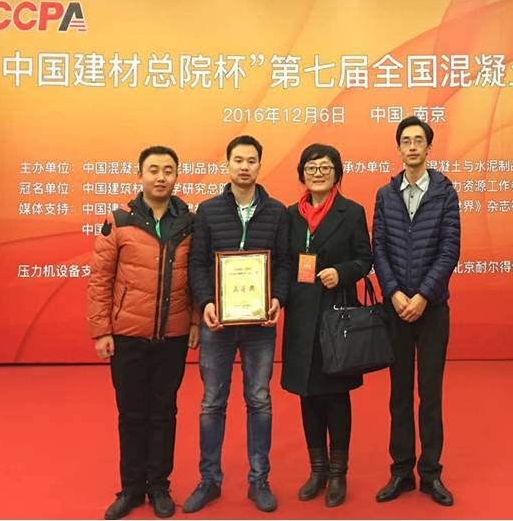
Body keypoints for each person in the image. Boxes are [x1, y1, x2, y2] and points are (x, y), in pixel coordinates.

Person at [87, 145, 200, 519]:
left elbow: (198, 276)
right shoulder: (120, 220)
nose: (161, 177)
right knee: (132, 413)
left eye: (168, 170)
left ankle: (159, 486)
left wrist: (195, 321)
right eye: (153, 170)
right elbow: (101, 279)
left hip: (173, 336)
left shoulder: (190, 223)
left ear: (177, 176)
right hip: (127, 336)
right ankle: (132, 488)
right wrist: (101, 330)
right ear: (140, 175)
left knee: (164, 411)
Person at [185, 135, 289, 514]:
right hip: (218, 323)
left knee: (259, 399)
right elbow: (198, 263)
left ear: (260, 165)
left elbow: (284, 264)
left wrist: (278, 298)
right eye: (238, 160)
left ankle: (259, 479)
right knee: (212, 402)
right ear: (227, 164)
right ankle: (209, 480)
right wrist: (207, 302)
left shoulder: (277, 212)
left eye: (251, 160)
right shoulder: (208, 211)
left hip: (260, 324)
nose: (245, 167)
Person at [372, 116, 461, 507]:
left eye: (418, 140)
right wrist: (393, 293)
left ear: (428, 148)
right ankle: (401, 471)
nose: (412, 146)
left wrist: (423, 295)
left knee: (430, 394)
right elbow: (379, 249)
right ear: (398, 148)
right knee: (399, 395)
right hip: (395, 310)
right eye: (405, 140)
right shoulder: (385, 195)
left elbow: (449, 249)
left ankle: (431, 473)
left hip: (432, 310)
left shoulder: (444, 193)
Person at [281, 144, 372, 507]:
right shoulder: (290, 216)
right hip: (301, 317)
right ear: (302, 174)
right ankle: (316, 469)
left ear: (337, 173)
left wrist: (342, 272)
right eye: (311, 167)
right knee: (308, 394)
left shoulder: (351, 212)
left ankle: (337, 473)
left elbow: (364, 259)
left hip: (336, 316)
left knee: (335, 394)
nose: (318, 173)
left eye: (325, 167)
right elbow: (284, 264)